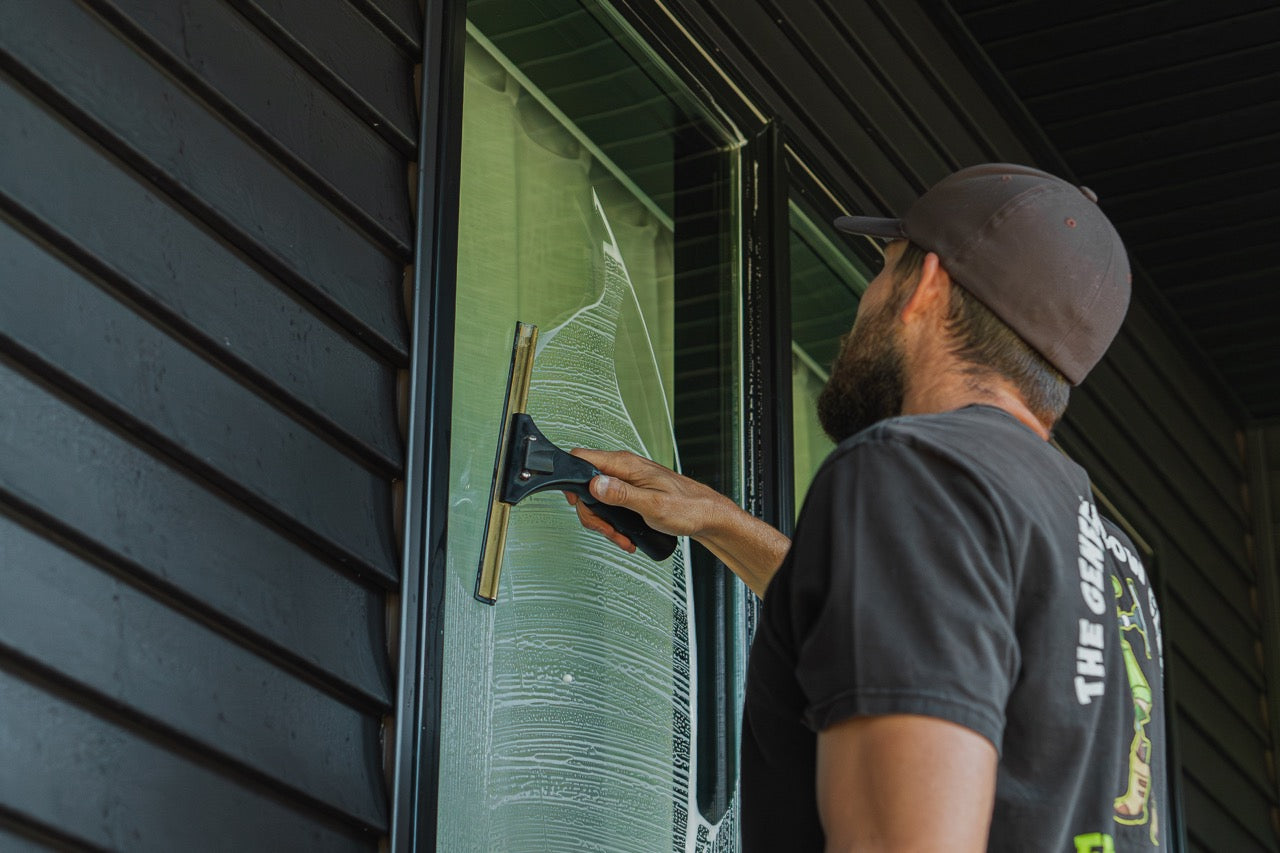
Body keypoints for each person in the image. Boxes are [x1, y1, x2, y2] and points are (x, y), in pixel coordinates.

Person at [568, 163, 1166, 851]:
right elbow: (919, 621)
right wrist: (719, 521)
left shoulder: (918, 468)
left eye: (883, 269)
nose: (867, 297)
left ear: (927, 286)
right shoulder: (1107, 556)